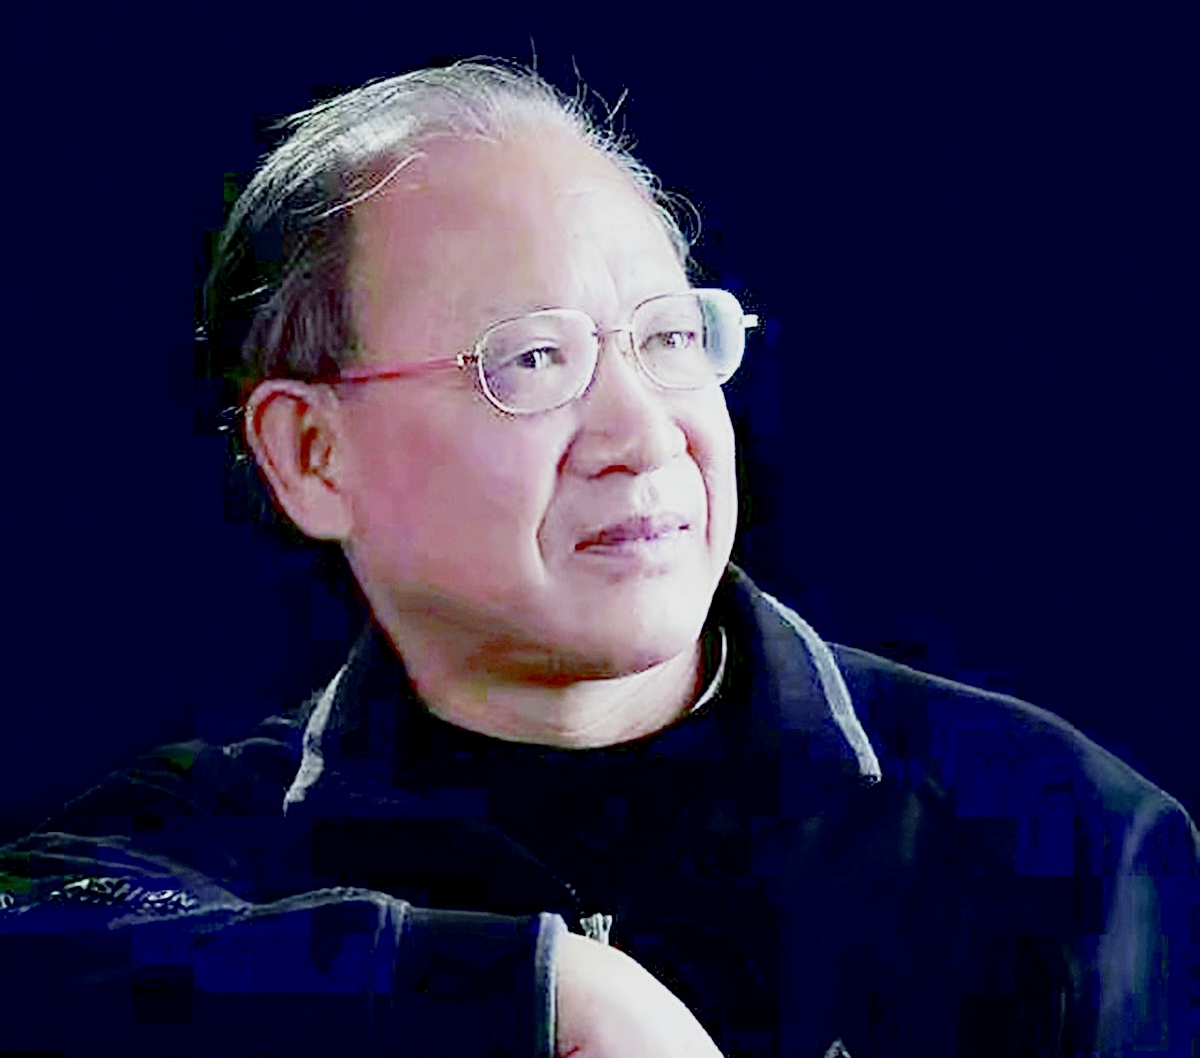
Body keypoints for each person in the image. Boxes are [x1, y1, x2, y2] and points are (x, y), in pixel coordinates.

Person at [1, 59, 1196, 1057]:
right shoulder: (218, 837)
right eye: (531, 359)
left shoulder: (1063, 842)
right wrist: (538, 991)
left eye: (669, 338)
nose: (644, 434)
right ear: (313, 455)